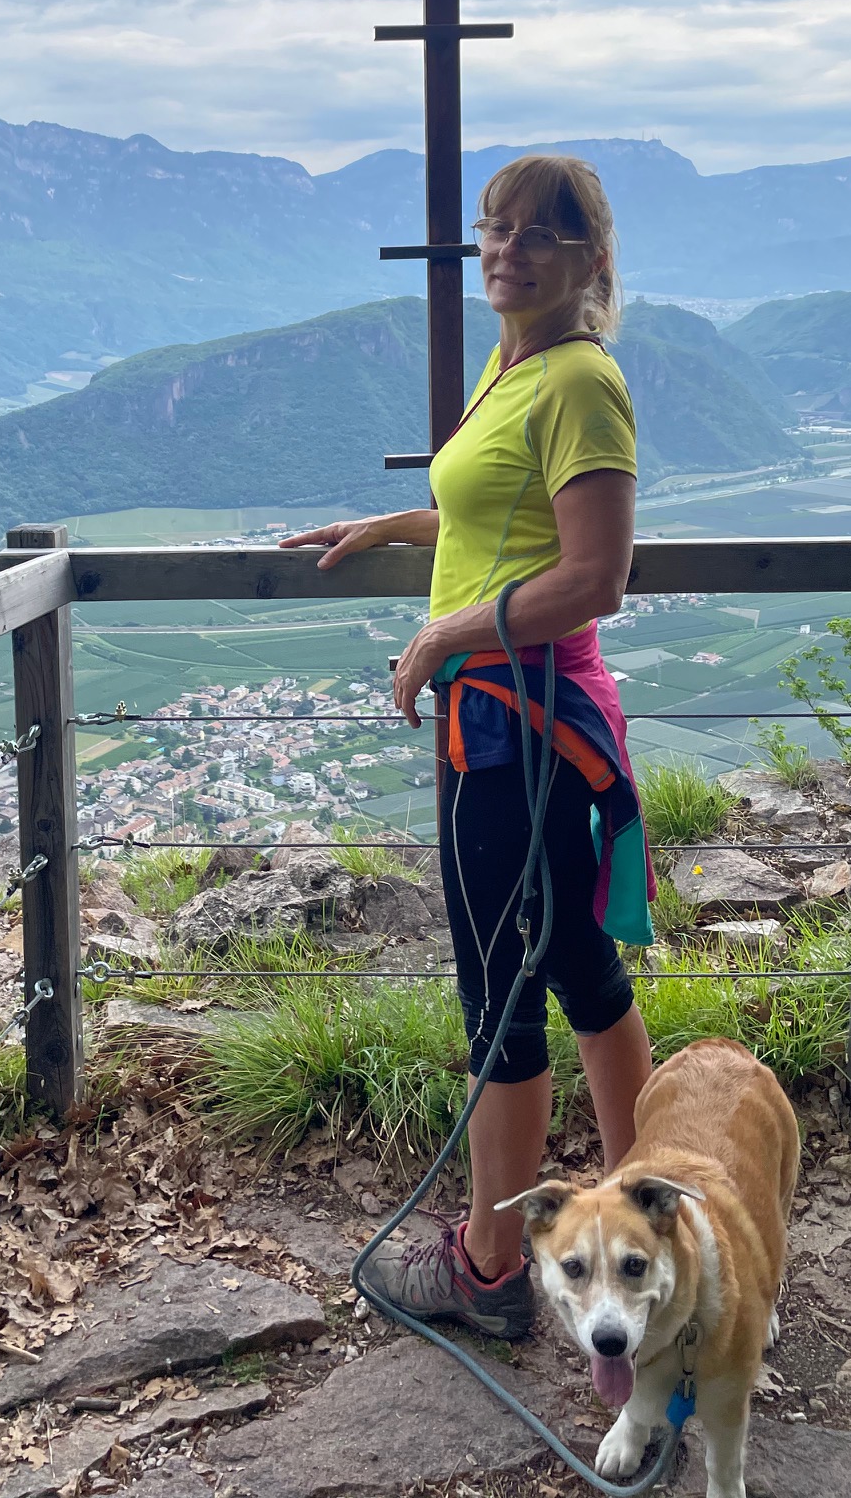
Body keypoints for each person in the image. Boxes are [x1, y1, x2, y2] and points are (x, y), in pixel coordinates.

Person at [282, 152, 654, 1340]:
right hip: (517, 720)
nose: (504, 250)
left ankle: (492, 1270)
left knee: (504, 998)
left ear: (588, 259)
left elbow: (594, 575)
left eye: (537, 235)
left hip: (518, 730)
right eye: (494, 230)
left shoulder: (579, 380)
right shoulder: (520, 364)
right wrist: (396, 524)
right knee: (583, 971)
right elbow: (502, 508)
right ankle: (655, 1217)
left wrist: (444, 629)